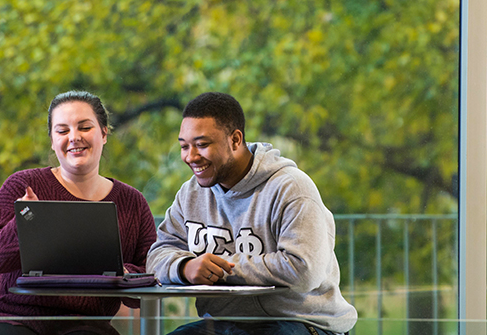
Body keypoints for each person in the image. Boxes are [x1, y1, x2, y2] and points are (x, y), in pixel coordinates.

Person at [146, 92, 357, 335]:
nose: (190, 157)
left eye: (202, 145)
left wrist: (222, 267)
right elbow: (157, 255)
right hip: (224, 323)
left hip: (303, 322)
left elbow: (304, 271)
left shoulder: (291, 187)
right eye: (184, 146)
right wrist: (185, 266)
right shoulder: (190, 193)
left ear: (235, 140)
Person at [0, 91, 157, 335]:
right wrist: (25, 219)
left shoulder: (133, 202)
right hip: (11, 316)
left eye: (84, 127)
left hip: (86, 326)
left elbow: (147, 281)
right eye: (62, 130)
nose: (74, 137)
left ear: (104, 133)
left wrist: (125, 273)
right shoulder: (22, 184)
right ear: (52, 140)